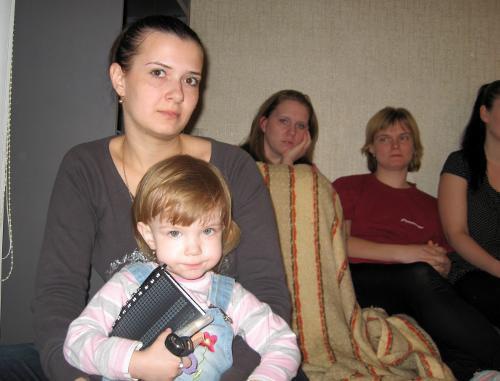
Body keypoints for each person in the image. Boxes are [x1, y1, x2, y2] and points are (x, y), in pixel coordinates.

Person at [0, 15, 291, 381]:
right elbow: (59, 293)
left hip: (228, 361)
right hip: (119, 357)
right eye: (158, 73)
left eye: (191, 80)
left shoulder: (233, 168)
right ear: (120, 78)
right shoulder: (84, 166)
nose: (178, 93)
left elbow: (269, 296)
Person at [63, 155, 300, 381]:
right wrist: (135, 362)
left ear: (223, 229)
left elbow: (283, 342)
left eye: (208, 231)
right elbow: (76, 341)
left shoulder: (232, 298)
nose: (194, 249)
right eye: (175, 232)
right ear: (149, 235)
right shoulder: (128, 284)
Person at [332, 106, 500, 381]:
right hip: (360, 282)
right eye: (384, 138)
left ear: (415, 147)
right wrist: (409, 254)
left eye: (404, 137)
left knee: (449, 289)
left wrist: (443, 266)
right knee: (418, 274)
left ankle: (470, 370)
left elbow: (444, 261)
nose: (395, 145)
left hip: (415, 291)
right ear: (371, 148)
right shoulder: (350, 186)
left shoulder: (432, 206)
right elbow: (341, 245)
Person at [438, 80, 500, 327]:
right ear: (485, 113)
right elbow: (456, 234)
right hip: (472, 271)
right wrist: (497, 268)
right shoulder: (460, 164)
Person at [241, 89, 318, 165]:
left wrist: (287, 160)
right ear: (264, 124)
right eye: (284, 121)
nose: (292, 132)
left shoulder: (311, 175)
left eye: (300, 126)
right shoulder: (234, 163)